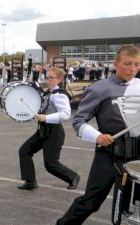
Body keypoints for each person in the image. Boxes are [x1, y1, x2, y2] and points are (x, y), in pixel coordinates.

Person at [56, 44, 140, 225]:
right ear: (116, 64)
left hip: (137, 156)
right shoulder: (100, 88)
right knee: (90, 202)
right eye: (127, 63)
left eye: (136, 64)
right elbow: (79, 121)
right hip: (109, 154)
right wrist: (97, 136)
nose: (132, 69)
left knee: (131, 204)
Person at [18, 67, 80, 191]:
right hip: (43, 130)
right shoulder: (49, 93)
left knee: (51, 165)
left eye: (51, 78)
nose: (48, 80)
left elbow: (66, 114)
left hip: (54, 132)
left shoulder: (59, 95)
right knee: (24, 151)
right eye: (47, 77)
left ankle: (73, 177)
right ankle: (30, 181)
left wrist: (45, 118)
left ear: (60, 79)